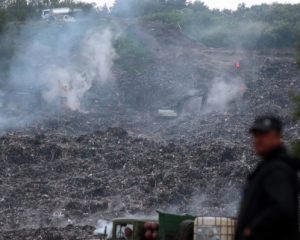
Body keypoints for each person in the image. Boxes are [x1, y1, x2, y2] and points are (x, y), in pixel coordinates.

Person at [235, 116, 300, 240]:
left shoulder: (277, 169)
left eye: (263, 134)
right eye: (255, 135)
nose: (258, 139)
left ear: (278, 137)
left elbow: (282, 208)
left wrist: (251, 231)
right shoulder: (266, 167)